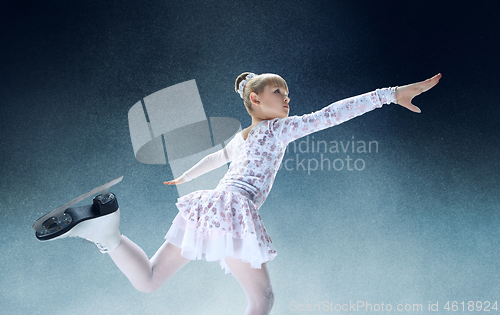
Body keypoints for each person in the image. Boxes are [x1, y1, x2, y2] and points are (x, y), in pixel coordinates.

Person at [46, 72, 441, 315]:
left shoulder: (243, 137)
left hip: (208, 206)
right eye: (279, 93)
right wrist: (389, 93)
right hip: (232, 209)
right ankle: (104, 231)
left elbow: (216, 159)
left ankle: (105, 232)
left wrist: (185, 177)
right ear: (255, 100)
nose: (288, 100)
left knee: (149, 280)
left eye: (287, 94)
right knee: (263, 301)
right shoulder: (278, 129)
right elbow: (331, 114)